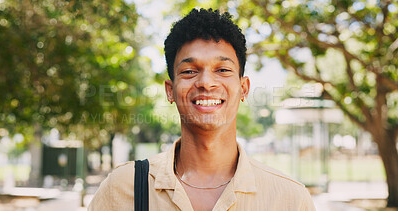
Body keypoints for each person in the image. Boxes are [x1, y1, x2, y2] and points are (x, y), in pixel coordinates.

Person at [88, 8, 316, 211]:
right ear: (170, 90)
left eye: (223, 70)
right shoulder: (122, 188)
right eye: (189, 71)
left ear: (244, 88)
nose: (206, 82)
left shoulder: (289, 199)